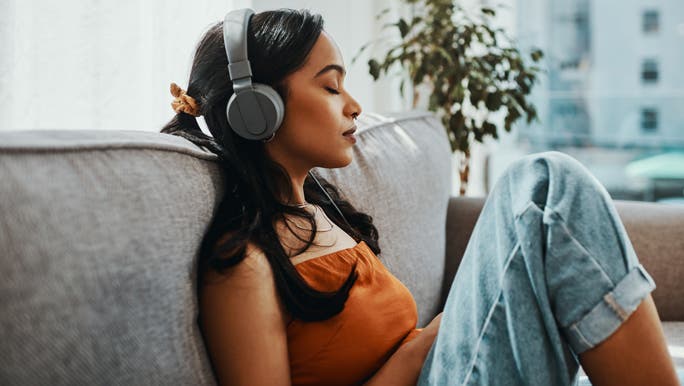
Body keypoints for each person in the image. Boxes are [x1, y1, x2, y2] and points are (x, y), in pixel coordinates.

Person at [160, 7, 681, 386]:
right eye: (332, 86)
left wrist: (435, 339)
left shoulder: (322, 214)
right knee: (543, 187)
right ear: (259, 110)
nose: (355, 106)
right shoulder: (243, 266)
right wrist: (415, 354)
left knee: (546, 186)